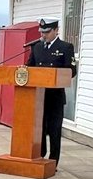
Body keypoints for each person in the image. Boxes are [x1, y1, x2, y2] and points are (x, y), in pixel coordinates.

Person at [25, 18, 77, 165]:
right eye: (42, 32)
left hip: (55, 97)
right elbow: (30, 67)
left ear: (56, 30)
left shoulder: (65, 47)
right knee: (39, 129)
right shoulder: (37, 47)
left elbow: (71, 71)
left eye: (47, 32)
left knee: (54, 131)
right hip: (38, 97)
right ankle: (40, 156)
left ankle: (53, 161)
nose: (44, 35)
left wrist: (54, 75)